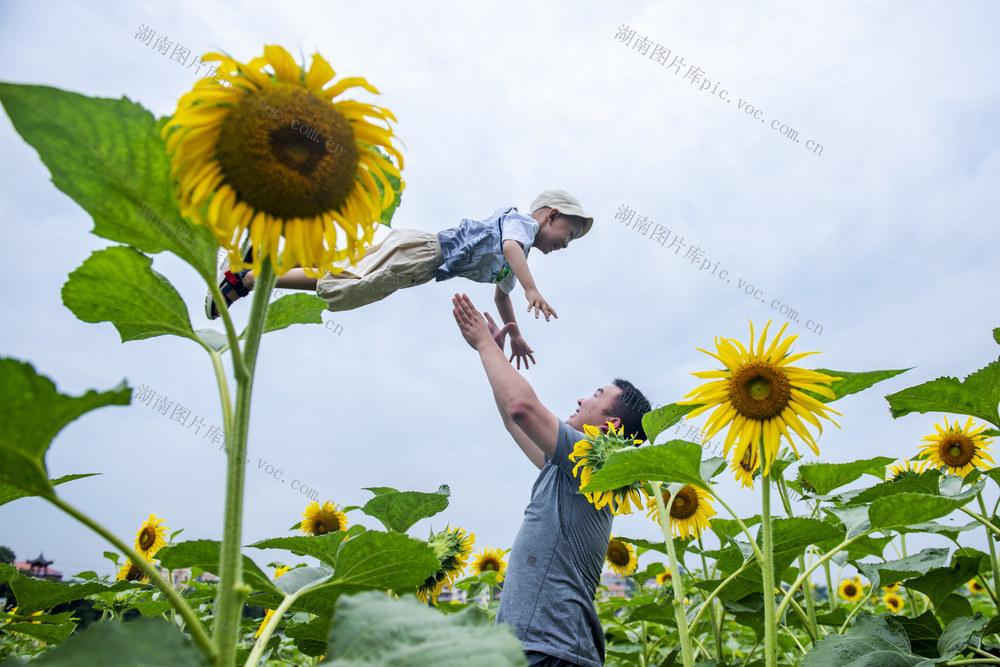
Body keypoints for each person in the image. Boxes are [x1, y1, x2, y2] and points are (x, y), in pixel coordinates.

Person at [451, 293, 651, 667]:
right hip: (541, 651)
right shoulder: (570, 467)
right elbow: (514, 422)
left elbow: (523, 408)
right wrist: (488, 356)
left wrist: (481, 342)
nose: (580, 400)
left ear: (610, 425)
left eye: (596, 395)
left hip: (551, 651)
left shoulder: (595, 466)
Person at [206, 189, 593, 368]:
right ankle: (249, 279)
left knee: (346, 270)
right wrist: (532, 288)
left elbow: (501, 296)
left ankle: (271, 256)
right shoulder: (520, 225)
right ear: (551, 216)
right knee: (351, 285)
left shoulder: (518, 257)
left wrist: (515, 332)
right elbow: (510, 247)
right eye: (570, 235)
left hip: (420, 262)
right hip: (424, 253)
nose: (567, 244)